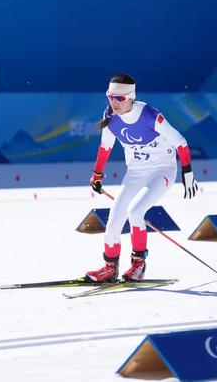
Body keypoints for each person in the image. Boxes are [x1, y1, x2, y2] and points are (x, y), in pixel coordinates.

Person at [85, 73, 198, 282]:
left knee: (136, 212)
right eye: (110, 96)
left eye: (119, 98)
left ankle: (138, 265)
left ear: (131, 97)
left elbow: (180, 142)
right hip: (136, 171)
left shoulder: (149, 115)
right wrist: (97, 174)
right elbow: (105, 147)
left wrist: (187, 172)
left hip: (162, 170)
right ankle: (110, 267)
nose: (114, 102)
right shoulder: (110, 116)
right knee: (114, 219)